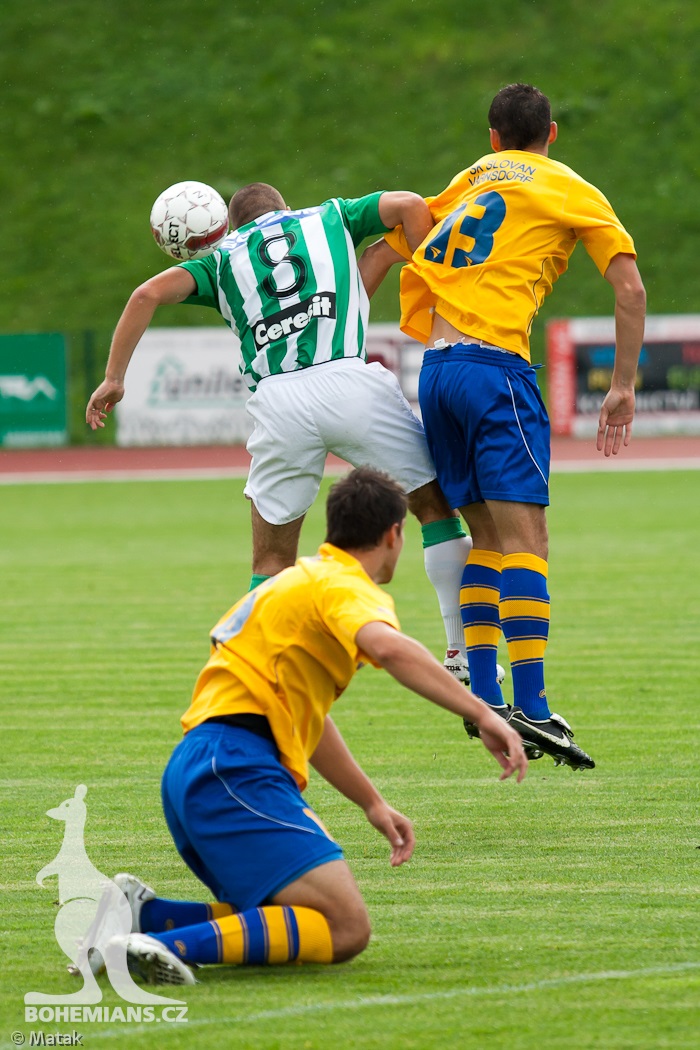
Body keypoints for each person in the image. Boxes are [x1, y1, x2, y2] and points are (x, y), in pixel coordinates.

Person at [96, 468, 527, 985]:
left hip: (203, 763)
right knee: (346, 927)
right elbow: (389, 648)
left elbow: (310, 720)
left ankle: (143, 916)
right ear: (394, 534)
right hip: (235, 766)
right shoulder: (343, 583)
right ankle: (156, 948)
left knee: (292, 912)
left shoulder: (296, 582)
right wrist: (483, 712)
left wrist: (371, 802)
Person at [86, 183, 481, 684]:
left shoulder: (219, 259)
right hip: (348, 382)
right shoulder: (329, 218)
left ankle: (259, 675)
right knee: (435, 510)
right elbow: (408, 205)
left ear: (231, 227)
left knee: (272, 558)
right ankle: (460, 654)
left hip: (279, 402)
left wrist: (114, 378)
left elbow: (145, 294)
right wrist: (437, 288)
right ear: (285, 208)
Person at [361, 83, 647, 771]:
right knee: (528, 542)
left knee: (485, 538)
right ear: (553, 133)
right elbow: (630, 289)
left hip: (437, 371)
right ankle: (534, 706)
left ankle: (486, 699)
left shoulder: (475, 176)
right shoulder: (569, 186)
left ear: (493, 137)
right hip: (494, 371)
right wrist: (623, 385)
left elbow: (384, 250)